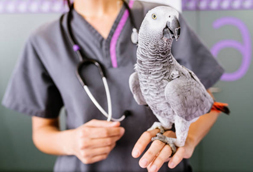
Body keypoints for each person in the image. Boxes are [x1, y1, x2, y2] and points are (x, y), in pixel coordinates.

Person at [2, 0, 225, 171]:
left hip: (162, 166)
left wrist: (187, 140)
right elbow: (41, 132)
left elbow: (206, 103)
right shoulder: (44, 40)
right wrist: (70, 142)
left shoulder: (161, 17)